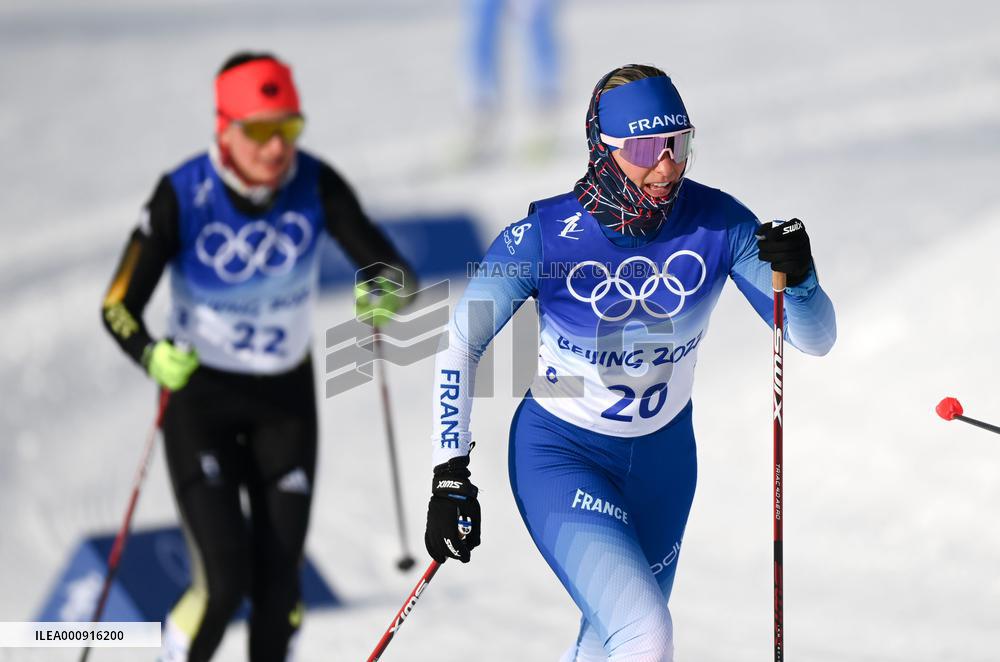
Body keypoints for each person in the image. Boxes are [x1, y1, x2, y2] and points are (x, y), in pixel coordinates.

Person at [423, 64, 836, 660]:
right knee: (645, 631)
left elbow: (814, 339)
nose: (666, 164)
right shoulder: (544, 236)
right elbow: (460, 345)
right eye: (646, 147)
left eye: (679, 143)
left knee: (612, 640)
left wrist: (800, 278)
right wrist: (449, 472)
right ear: (604, 150)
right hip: (561, 457)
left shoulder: (719, 224)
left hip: (665, 466)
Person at [100, 52, 415, 661]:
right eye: (260, 130)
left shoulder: (315, 183)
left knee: (280, 594)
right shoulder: (183, 193)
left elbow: (396, 271)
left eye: (288, 128)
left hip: (283, 401)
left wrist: (382, 293)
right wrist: (150, 355)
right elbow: (117, 305)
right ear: (225, 129)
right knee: (223, 583)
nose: (276, 148)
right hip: (200, 399)